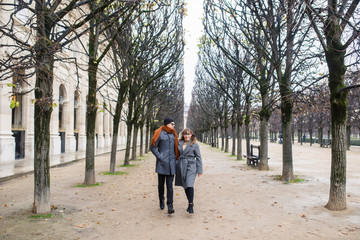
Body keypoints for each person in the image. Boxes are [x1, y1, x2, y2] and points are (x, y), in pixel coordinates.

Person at [150, 117, 179, 214]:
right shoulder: (159, 133)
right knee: (161, 185)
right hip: (162, 164)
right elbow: (153, 147)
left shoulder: (174, 134)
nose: (173, 125)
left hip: (171, 164)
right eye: (172, 123)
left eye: (174, 124)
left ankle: (170, 205)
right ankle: (161, 200)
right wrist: (160, 157)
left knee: (170, 186)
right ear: (166, 124)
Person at [175, 128, 203, 214]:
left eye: (189, 134)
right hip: (181, 165)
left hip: (191, 166)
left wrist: (200, 170)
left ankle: (191, 205)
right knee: (185, 185)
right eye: (185, 134)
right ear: (183, 135)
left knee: (189, 183)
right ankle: (190, 202)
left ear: (191, 135)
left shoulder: (195, 144)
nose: (187, 136)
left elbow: (198, 157)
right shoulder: (179, 143)